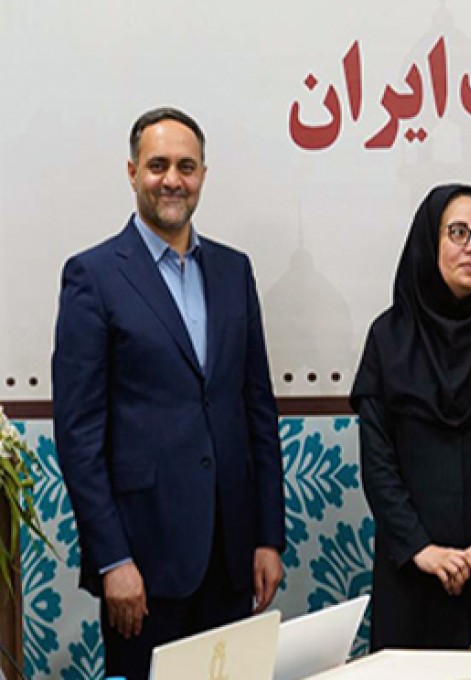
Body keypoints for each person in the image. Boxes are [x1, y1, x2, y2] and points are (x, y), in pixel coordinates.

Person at [52, 107, 284, 679]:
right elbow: (79, 436)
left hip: (230, 556)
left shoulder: (234, 271)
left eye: (186, 166)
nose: (172, 180)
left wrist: (268, 538)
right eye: (158, 166)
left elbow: (258, 410)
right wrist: (112, 559)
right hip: (143, 566)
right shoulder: (94, 276)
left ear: (203, 174)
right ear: (132, 172)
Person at [350, 184, 471, 650]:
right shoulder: (387, 339)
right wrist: (422, 550)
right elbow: (378, 463)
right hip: (410, 575)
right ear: (427, 240)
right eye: (458, 232)